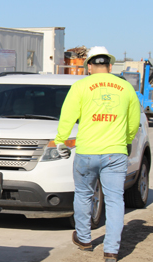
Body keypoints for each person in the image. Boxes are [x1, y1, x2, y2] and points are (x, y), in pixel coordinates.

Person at [54, 46, 141, 262]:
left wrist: (60, 140)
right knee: (114, 200)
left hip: (87, 152)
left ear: (89, 66)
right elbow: (134, 121)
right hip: (116, 153)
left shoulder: (80, 86)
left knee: (84, 194)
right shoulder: (126, 88)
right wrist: (127, 141)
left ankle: (84, 239)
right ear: (110, 66)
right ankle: (111, 250)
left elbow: (68, 116)